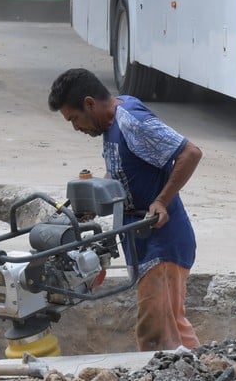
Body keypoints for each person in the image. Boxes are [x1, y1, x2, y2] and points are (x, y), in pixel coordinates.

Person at [47, 68, 203, 352]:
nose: (76, 128)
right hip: (141, 241)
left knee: (155, 334)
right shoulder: (110, 126)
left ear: (90, 103)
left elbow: (190, 153)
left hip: (162, 244)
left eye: (74, 119)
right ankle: (208, 370)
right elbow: (122, 173)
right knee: (173, 327)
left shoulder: (132, 121)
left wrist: (162, 201)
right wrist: (91, 202)